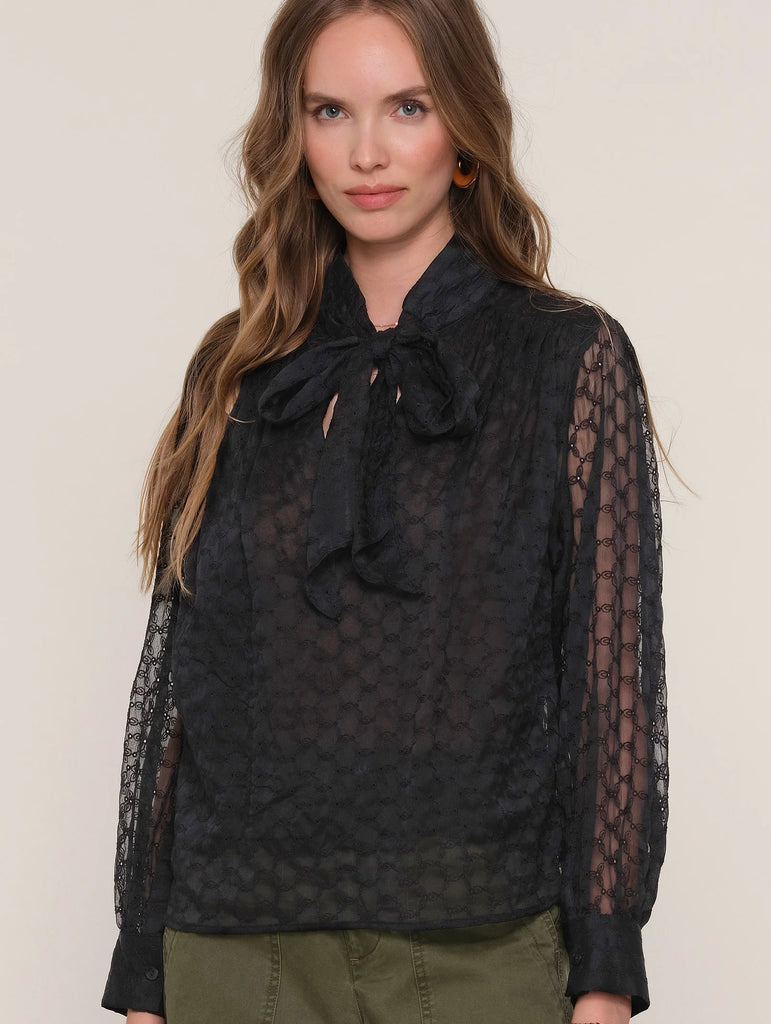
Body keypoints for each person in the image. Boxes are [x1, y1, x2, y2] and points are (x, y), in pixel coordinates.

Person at [101, 1, 668, 1022]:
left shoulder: (566, 357)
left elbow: (608, 682)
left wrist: (605, 971)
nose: (368, 151)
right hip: (234, 948)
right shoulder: (236, 366)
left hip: (479, 941)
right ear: (294, 133)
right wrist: (143, 965)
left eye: (409, 107)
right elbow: (182, 676)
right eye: (330, 111)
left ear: (465, 130)